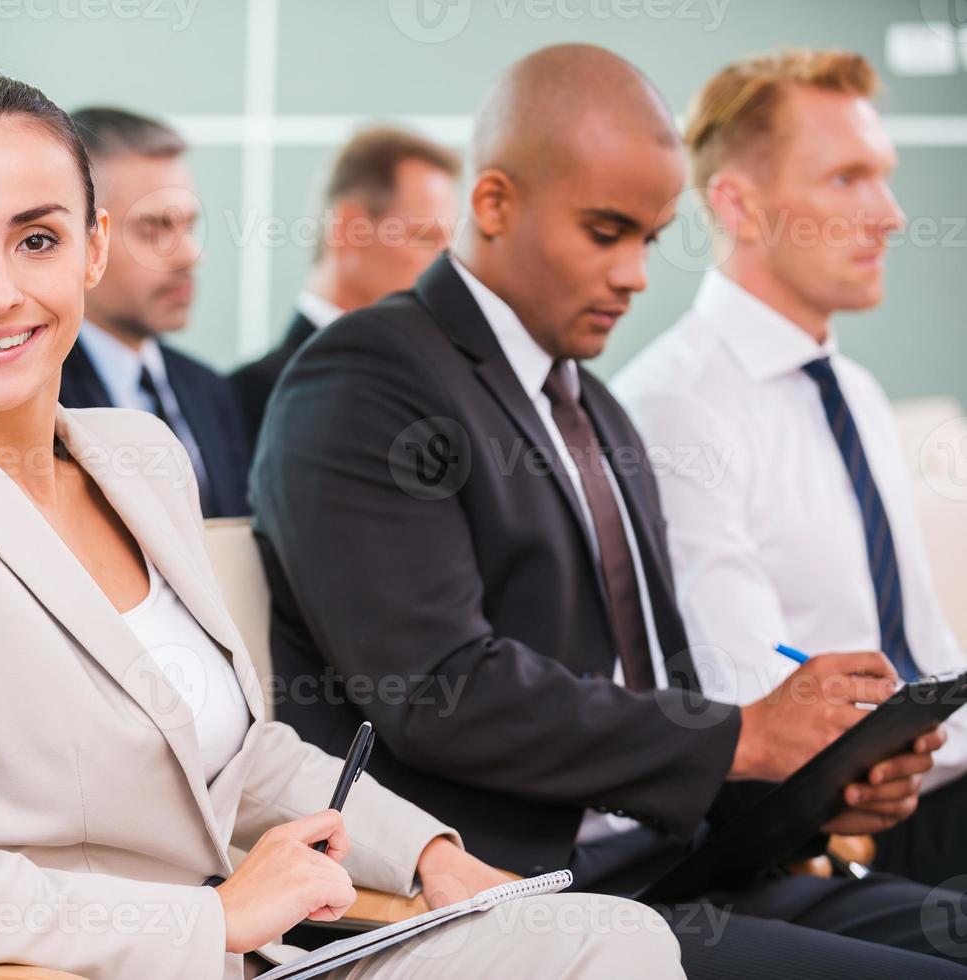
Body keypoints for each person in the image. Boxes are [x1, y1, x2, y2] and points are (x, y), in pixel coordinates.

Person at [0, 68, 683, 980]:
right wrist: (212, 914)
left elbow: (234, 756)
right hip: (117, 966)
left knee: (613, 937)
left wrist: (425, 856)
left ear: (91, 251)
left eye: (36, 239)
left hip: (254, 955)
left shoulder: (139, 456)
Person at [250, 43, 967, 978]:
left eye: (648, 236)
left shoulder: (595, 407)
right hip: (504, 900)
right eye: (603, 231)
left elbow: (647, 684)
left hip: (673, 869)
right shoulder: (364, 378)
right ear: (495, 202)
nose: (634, 273)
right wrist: (744, 734)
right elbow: (438, 688)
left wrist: (815, 787)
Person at [614, 49, 967, 889]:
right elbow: (748, 704)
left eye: (880, 177)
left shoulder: (855, 391)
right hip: (825, 833)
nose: (888, 215)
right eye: (846, 180)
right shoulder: (673, 405)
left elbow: (923, 648)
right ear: (737, 203)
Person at [56, 106, 248, 517]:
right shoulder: (34, 400)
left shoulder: (210, 391)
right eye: (154, 229)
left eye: (188, 226)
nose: (190, 254)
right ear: (82, 242)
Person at [232, 126, 459, 445]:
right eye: (425, 238)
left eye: (450, 246)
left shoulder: (437, 388)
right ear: (351, 229)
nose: (446, 264)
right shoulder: (246, 399)